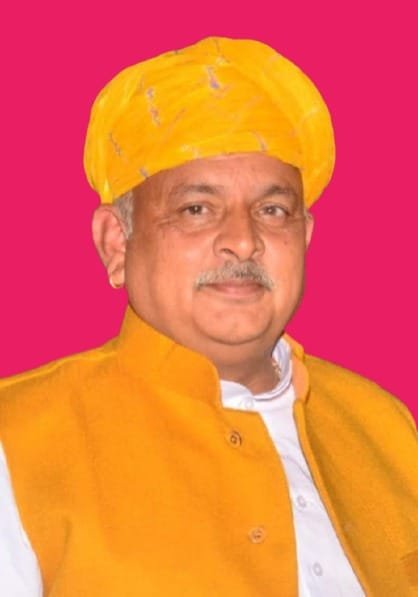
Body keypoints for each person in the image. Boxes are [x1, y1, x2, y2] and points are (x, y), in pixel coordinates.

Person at [0, 36, 417, 597]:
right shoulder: (18, 437)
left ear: (304, 238)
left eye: (273, 210)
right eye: (196, 209)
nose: (243, 241)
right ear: (117, 243)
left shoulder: (384, 427)